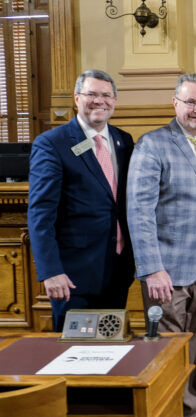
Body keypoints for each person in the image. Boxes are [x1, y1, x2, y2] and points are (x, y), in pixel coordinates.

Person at [127, 73, 196, 417]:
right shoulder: (152, 144)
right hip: (167, 269)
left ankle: (191, 416)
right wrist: (152, 268)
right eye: (191, 102)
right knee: (167, 348)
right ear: (175, 104)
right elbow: (138, 211)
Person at [28, 69, 135, 332]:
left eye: (106, 95)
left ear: (115, 101)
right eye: (92, 94)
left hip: (116, 272)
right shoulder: (53, 143)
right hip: (72, 277)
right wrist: (50, 271)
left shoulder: (124, 141)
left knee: (110, 353)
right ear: (77, 98)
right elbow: (40, 213)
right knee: (75, 357)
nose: (100, 101)